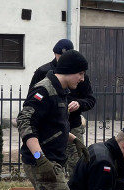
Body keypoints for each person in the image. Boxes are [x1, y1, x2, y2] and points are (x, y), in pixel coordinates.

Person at [0, 49, 90, 190]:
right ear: (69, 71)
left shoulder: (60, 91)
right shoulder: (44, 90)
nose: (83, 79)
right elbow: (25, 122)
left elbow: (51, 127)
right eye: (81, 74)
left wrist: (73, 139)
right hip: (43, 163)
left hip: (52, 160)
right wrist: (40, 158)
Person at [28, 39, 96, 176]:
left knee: (76, 166)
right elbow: (28, 120)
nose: (81, 78)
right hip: (49, 131)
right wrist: (39, 158)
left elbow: (90, 99)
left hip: (71, 126)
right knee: (51, 172)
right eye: (59, 56)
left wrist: (79, 104)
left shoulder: (79, 76)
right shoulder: (44, 76)